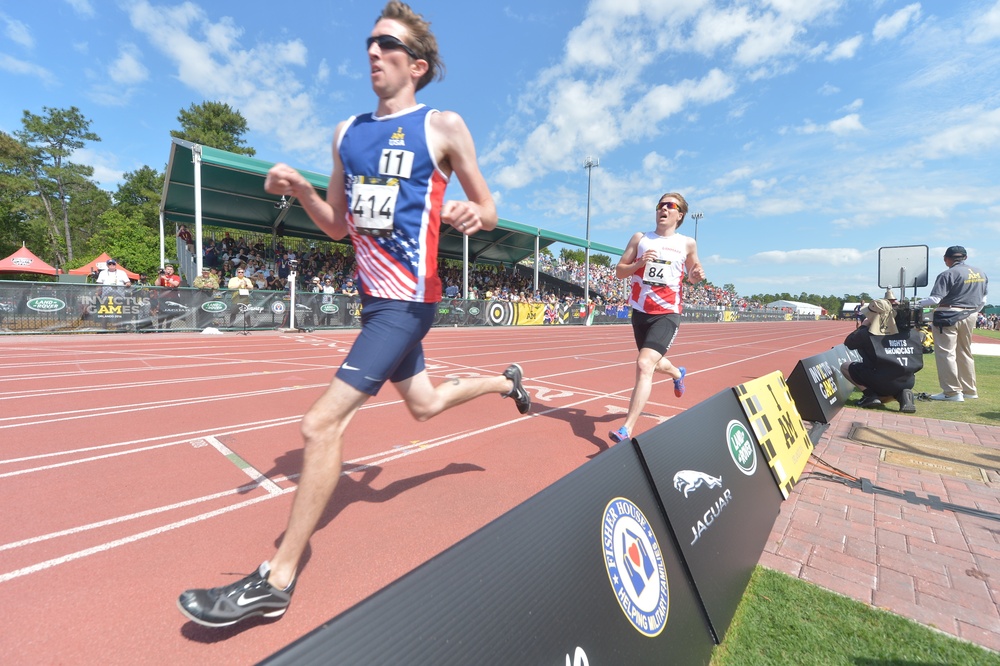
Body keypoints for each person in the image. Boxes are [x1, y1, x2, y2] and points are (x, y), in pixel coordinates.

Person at [178, 1, 531, 628]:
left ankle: (277, 580)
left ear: (416, 65)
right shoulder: (346, 132)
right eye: (368, 41)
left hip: (407, 301)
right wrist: (303, 191)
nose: (372, 51)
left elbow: (490, 205)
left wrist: (478, 215)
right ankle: (507, 381)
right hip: (374, 300)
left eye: (386, 43)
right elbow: (339, 225)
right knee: (423, 405)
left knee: (319, 427)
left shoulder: (442, 126)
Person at [608, 192, 704, 443]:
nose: (663, 209)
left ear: (679, 214)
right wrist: (638, 263)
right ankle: (677, 373)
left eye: (670, 206)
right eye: (660, 205)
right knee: (652, 363)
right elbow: (620, 271)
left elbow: (693, 274)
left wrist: (695, 277)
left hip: (667, 313)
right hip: (640, 312)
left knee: (643, 364)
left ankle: (626, 428)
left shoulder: (687, 243)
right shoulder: (640, 239)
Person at [918, 246, 989, 401]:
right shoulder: (980, 273)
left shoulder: (947, 274)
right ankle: (970, 391)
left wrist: (917, 304)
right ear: (965, 257)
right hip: (970, 314)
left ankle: (951, 392)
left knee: (946, 353)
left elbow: (935, 299)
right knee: (965, 353)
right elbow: (983, 300)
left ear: (946, 259)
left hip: (948, 315)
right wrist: (971, 312)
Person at [841, 299, 923, 412]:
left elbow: (849, 343)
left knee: (845, 366)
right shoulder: (910, 332)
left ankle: (870, 395)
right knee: (895, 376)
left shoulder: (867, 333)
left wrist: (863, 326)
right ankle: (903, 393)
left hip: (880, 381)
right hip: (907, 381)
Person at [152, 264, 183, 329]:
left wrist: (167, 278)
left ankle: (168, 328)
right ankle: (159, 328)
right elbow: (156, 284)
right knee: (162, 313)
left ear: (173, 271)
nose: (169, 271)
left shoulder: (176, 277)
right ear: (165, 270)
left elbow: (176, 284)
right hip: (163, 298)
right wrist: (160, 276)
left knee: (171, 313)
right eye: (168, 269)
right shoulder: (162, 277)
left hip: (173, 298)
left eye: (171, 269)